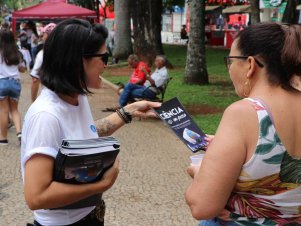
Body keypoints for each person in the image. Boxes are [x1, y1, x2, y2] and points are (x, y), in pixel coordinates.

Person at [21, 18, 160, 226]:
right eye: (103, 57)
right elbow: (36, 196)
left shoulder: (76, 97)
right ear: (77, 61)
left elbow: (86, 132)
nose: (106, 64)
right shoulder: (45, 116)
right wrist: (101, 185)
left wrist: (129, 111)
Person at [185, 22, 301, 225]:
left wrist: (201, 172)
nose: (229, 68)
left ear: (250, 64)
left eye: (231, 60)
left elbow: (202, 206)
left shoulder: (245, 114)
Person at [0, 30, 26, 145]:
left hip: (2, 83)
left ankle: (3, 138)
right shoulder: (18, 53)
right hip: (15, 83)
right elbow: (23, 69)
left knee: (3, 111)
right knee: (14, 110)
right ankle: (19, 133)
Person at [30, 23, 56, 102]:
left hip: (48, 98)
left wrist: (33, 101)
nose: (42, 37)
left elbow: (35, 80)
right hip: (67, 98)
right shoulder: (67, 53)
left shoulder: (42, 54)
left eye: (44, 34)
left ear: (48, 36)